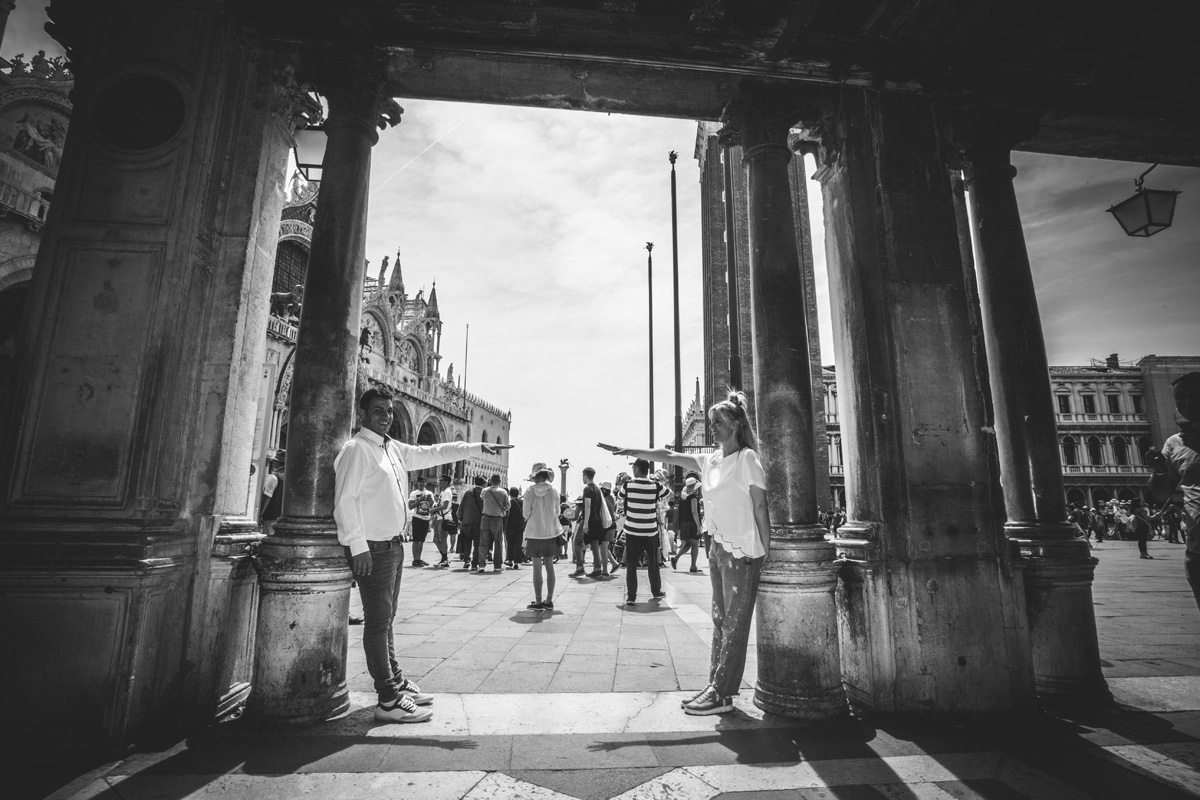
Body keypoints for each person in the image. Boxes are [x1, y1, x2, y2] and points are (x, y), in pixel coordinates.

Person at [333, 388, 511, 723]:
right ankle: (387, 699)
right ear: (363, 414)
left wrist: (473, 447)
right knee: (376, 622)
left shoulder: (393, 448)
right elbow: (345, 501)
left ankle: (396, 681)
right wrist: (357, 546)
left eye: (388, 410)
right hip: (372, 548)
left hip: (392, 546)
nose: (385, 416)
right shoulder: (358, 450)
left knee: (386, 619)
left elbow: (431, 453)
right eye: (378, 411)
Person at [601, 390, 770, 716]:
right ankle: (716, 688)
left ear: (736, 423)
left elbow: (760, 506)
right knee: (720, 620)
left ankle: (721, 692)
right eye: (710, 423)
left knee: (734, 624)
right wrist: (630, 450)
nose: (712, 429)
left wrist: (766, 551)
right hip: (718, 548)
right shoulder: (710, 460)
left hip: (745, 551)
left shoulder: (748, 459)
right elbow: (668, 455)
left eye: (718, 422)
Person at [1149, 372, 1200, 609]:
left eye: (1194, 394)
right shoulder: (1175, 443)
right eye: (1180, 397)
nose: (1187, 402)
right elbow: (1161, 494)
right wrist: (1159, 469)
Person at [615, 458, 670, 605]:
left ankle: (631, 596)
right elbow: (668, 492)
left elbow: (620, 496)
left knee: (631, 564)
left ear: (638, 470)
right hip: (650, 531)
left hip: (632, 530)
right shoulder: (656, 486)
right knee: (653, 562)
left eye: (634, 468)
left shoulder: (627, 485)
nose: (633, 470)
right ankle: (656, 591)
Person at [522, 463, 561, 610]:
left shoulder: (529, 491)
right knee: (550, 567)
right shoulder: (554, 491)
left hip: (534, 532)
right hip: (551, 532)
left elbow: (526, 514)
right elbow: (557, 513)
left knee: (536, 567)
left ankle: (538, 602)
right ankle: (549, 600)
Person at [574, 467, 609, 578]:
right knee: (594, 544)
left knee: (577, 542)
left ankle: (580, 567)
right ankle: (597, 568)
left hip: (588, 519)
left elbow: (587, 506)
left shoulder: (587, 489)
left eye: (582, 476)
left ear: (585, 475)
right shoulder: (598, 489)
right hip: (597, 520)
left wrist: (585, 523)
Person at [478, 473, 510, 573]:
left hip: (485, 518)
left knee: (483, 542)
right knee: (498, 542)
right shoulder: (503, 492)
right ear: (500, 481)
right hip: (497, 519)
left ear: (490, 481)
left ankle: (482, 565)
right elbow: (508, 506)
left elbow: (482, 499)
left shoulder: (485, 491)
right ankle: (497, 566)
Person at [672, 474, 703, 572]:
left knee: (688, 544)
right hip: (691, 523)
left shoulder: (682, 497)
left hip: (683, 523)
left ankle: (676, 558)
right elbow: (694, 512)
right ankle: (693, 566)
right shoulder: (693, 497)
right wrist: (698, 525)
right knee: (695, 544)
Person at [408, 477, 436, 567]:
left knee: (421, 540)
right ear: (417, 483)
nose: (421, 484)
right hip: (417, 517)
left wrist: (430, 499)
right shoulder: (414, 493)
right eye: (420, 482)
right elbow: (410, 506)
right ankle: (415, 559)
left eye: (423, 482)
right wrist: (419, 500)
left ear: (425, 483)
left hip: (426, 518)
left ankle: (418, 559)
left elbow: (433, 505)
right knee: (416, 540)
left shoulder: (429, 493)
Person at [458, 476, 485, 568]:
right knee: (477, 544)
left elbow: (461, 507)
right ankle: (474, 563)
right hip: (478, 522)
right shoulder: (484, 493)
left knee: (467, 542)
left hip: (467, 522)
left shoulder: (468, 493)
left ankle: (467, 560)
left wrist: (461, 518)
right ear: (483, 483)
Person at [431, 473, 456, 568]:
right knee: (436, 539)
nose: (439, 482)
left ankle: (444, 559)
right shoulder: (443, 492)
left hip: (444, 519)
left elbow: (445, 505)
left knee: (442, 539)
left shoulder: (447, 492)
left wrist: (434, 510)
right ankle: (444, 557)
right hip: (439, 518)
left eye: (441, 481)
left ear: (446, 482)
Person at [259, 454, 285, 536]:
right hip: (283, 517)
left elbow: (267, 497)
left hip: (270, 516)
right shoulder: (289, 479)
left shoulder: (274, 477)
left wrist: (261, 514)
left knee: (269, 537)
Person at [600, 481, 621, 574]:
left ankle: (605, 570)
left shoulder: (606, 500)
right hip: (610, 526)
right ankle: (614, 563)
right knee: (603, 547)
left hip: (608, 527)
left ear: (604, 490)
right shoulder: (610, 499)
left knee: (603, 547)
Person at [505, 487, 525, 568]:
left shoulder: (509, 503)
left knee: (510, 543)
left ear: (510, 494)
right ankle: (517, 562)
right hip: (520, 526)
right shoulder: (523, 502)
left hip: (510, 525)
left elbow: (507, 513)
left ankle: (510, 560)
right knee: (518, 544)